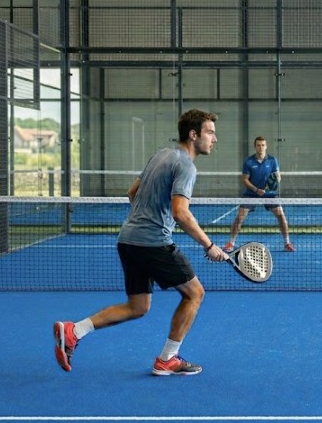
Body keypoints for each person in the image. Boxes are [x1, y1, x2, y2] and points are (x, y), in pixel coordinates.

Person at [53, 109, 228, 376]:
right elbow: (181, 213)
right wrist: (209, 245)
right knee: (195, 294)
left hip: (128, 240)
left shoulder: (161, 155)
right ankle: (167, 359)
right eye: (210, 133)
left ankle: (74, 330)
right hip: (153, 243)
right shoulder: (186, 166)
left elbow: (132, 192)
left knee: (138, 306)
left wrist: (146, 219)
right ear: (193, 135)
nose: (214, 139)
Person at [224, 136, 294, 252]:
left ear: (266, 146)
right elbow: (245, 179)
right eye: (258, 145)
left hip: (269, 194)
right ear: (255, 147)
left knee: (281, 216)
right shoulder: (249, 162)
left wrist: (275, 181)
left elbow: (277, 176)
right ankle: (230, 243)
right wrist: (256, 190)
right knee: (239, 217)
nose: (260, 147)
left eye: (263, 145)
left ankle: (287, 243)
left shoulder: (272, 160)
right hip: (251, 193)